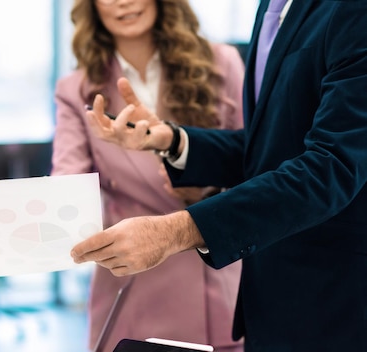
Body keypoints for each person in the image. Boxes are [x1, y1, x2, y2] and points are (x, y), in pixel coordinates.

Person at [71, 0, 367, 350]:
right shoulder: (271, 7)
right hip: (269, 297)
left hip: (334, 301)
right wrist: (174, 139)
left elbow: (332, 166)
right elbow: (269, 151)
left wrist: (175, 231)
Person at [51, 0, 244, 351]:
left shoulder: (222, 63)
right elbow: (68, 180)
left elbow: (255, 162)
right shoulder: (76, 89)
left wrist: (204, 183)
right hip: (130, 279)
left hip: (215, 271)